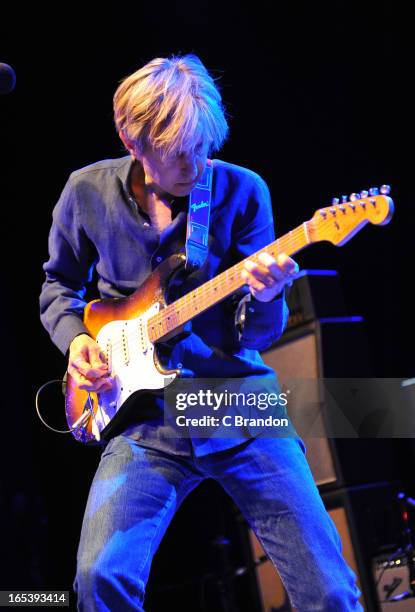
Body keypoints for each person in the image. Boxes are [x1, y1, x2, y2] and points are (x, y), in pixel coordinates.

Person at [40, 54, 363, 611]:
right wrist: (78, 341)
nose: (197, 162)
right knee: (99, 579)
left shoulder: (242, 191)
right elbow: (57, 286)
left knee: (330, 589)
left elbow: (259, 334)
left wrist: (267, 295)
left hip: (234, 403)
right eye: (180, 150)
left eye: (204, 145)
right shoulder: (85, 192)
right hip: (143, 418)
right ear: (131, 138)